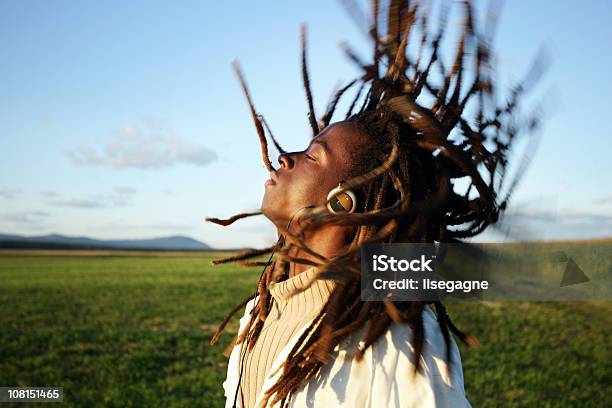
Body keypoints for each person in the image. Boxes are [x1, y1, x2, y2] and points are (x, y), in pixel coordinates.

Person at [207, 1, 541, 406]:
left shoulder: (397, 348)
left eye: (314, 156)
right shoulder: (264, 310)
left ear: (343, 203)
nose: (286, 157)